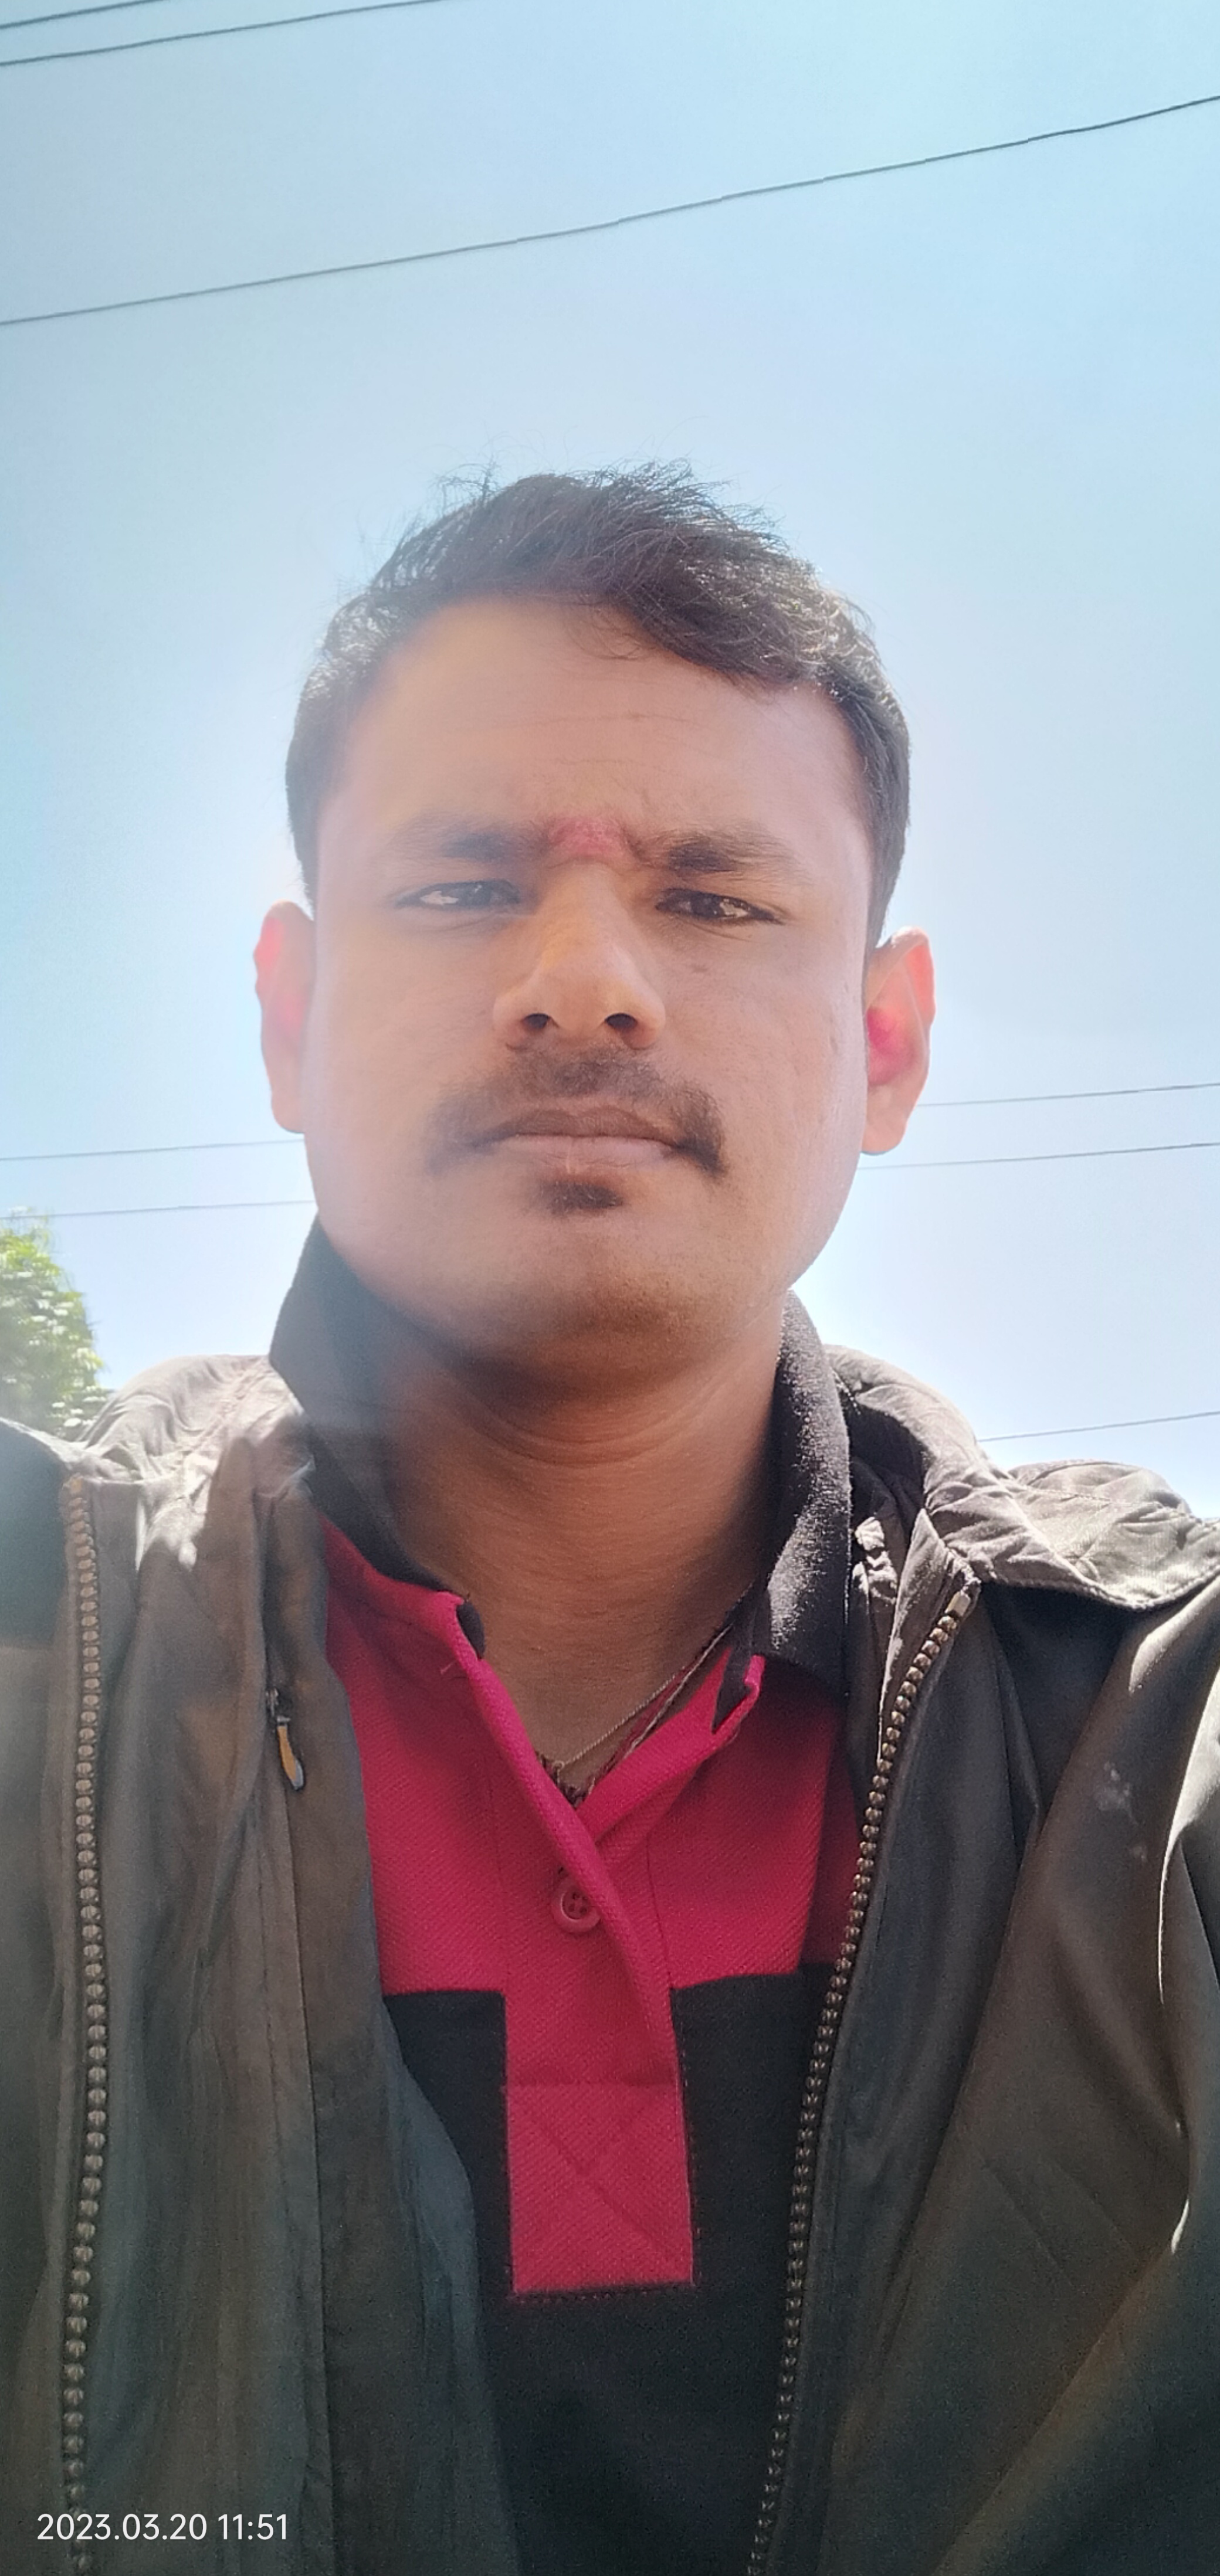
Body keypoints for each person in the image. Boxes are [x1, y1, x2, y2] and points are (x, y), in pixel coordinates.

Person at [2, 469, 1218, 2576]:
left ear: (887, 1041)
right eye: (460, 887)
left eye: (717, 899)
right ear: (290, 1017)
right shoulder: (44, 1654)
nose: (582, 985)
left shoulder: (1157, 1710)